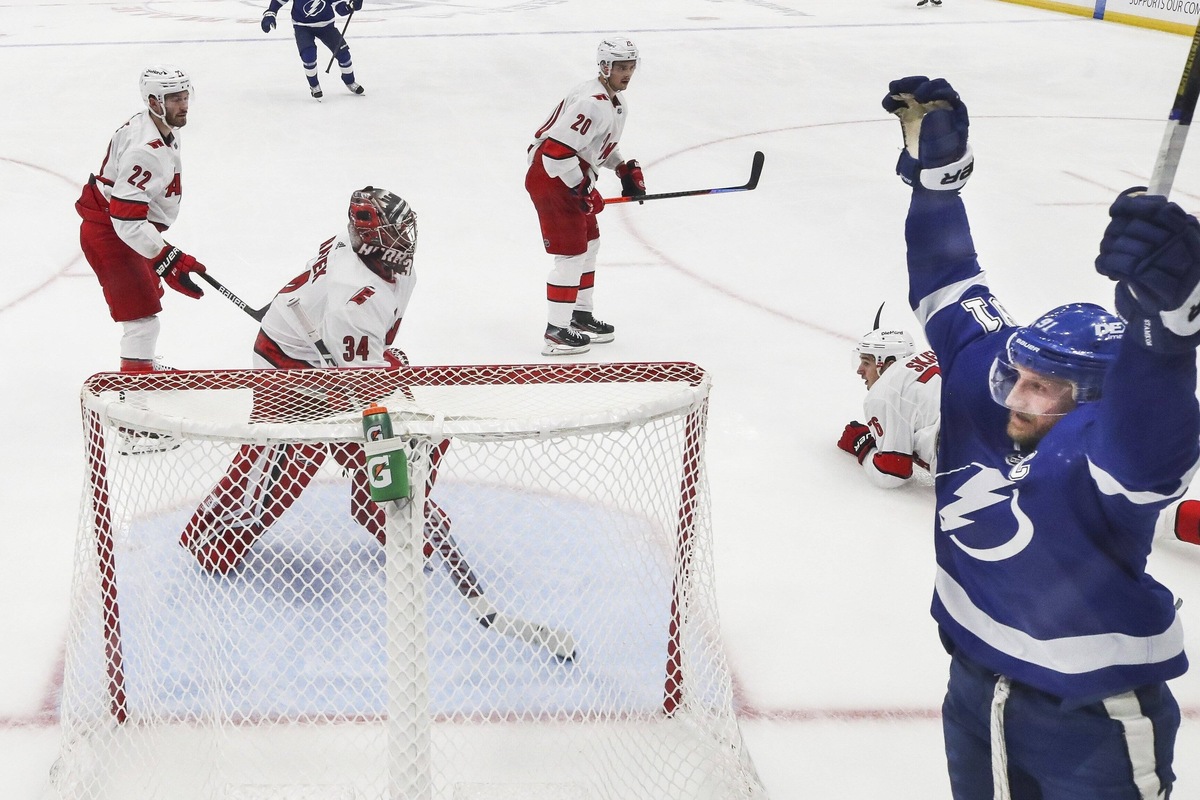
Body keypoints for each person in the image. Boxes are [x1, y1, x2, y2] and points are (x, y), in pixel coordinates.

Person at [884, 75, 1198, 798]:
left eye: (1047, 387)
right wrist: (937, 188)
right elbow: (946, 278)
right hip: (972, 682)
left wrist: (1165, 331)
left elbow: (1150, 441)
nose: (1021, 392)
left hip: (1090, 718)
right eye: (1019, 373)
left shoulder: (1104, 445)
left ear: (1092, 400)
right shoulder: (991, 372)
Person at [75, 65, 207, 373]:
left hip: (124, 229)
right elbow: (126, 219)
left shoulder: (155, 127)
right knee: (142, 320)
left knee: (145, 308)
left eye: (185, 96)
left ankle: (141, 368)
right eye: (174, 99)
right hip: (113, 234)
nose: (184, 105)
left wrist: (159, 249)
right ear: (153, 101)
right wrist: (165, 256)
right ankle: (136, 381)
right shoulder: (145, 150)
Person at [526, 36, 647, 356]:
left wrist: (622, 168)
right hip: (552, 178)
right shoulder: (592, 102)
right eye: (621, 67)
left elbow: (592, 146)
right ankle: (556, 332)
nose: (627, 73)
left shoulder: (612, 101)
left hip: (567, 175)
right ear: (605, 67)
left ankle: (578, 314)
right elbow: (555, 154)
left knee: (590, 244)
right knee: (571, 254)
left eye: (631, 66)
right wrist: (582, 189)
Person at [837, 326, 940, 488]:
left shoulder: (884, 391)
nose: (859, 370)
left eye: (866, 362)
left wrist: (863, 443)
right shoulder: (933, 356)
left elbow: (892, 472)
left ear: (889, 364)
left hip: (966, 454)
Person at [260, 0, 364, 100]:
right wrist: (270, 13)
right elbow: (278, 1)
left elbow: (340, 9)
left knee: (344, 54)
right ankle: (314, 85)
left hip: (326, 26)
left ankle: (349, 81)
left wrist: (351, 6)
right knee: (308, 55)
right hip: (302, 27)